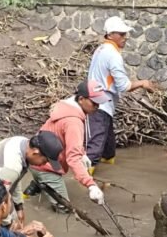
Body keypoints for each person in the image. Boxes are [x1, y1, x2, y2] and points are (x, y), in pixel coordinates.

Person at [86, 16, 157, 174]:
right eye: (122, 34)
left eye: (125, 34)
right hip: (100, 103)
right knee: (95, 144)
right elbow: (124, 86)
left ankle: (108, 160)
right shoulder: (113, 55)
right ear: (111, 35)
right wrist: (143, 83)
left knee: (108, 145)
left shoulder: (101, 49)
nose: (126, 37)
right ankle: (85, 174)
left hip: (100, 101)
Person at [28, 79, 111, 212]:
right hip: (45, 167)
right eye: (94, 102)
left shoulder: (66, 108)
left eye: (99, 103)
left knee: (45, 178)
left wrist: (82, 153)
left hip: (36, 162)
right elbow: (73, 159)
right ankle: (42, 184)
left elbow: (69, 141)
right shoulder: (73, 122)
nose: (97, 106)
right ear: (81, 99)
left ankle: (33, 189)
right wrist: (90, 185)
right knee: (65, 209)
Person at [0, 131, 63, 227]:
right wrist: (9, 224)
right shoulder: (11, 165)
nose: (44, 164)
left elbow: (15, 179)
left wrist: (19, 207)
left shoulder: (21, 142)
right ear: (35, 152)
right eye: (45, 161)